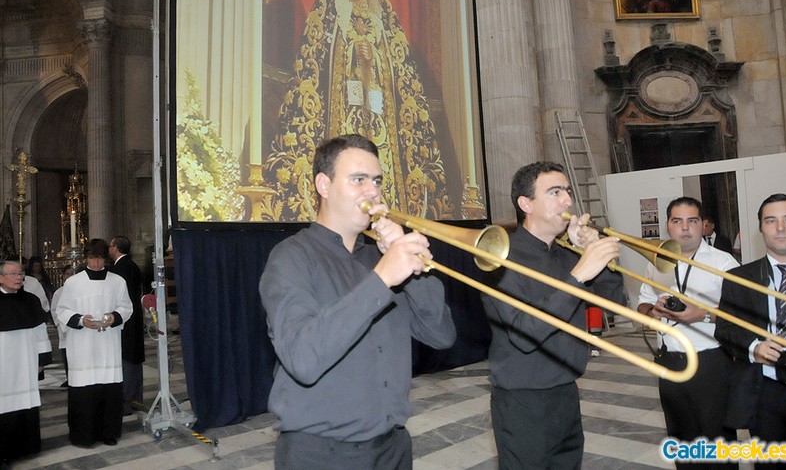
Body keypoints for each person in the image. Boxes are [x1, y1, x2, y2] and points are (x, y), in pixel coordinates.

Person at [260, 134, 456, 469]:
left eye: (376, 181)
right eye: (358, 180)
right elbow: (303, 357)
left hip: (392, 448)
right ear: (324, 184)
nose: (373, 192)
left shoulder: (380, 259)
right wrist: (382, 279)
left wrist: (412, 271)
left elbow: (441, 335)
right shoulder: (291, 257)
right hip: (321, 454)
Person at [260, 0, 456, 222]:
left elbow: (398, 74)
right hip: (342, 108)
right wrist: (352, 51)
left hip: (378, 110)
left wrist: (373, 58)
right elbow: (319, 66)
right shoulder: (333, 20)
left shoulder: (383, 26)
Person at [482, 161, 624, 469]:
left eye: (568, 191)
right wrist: (578, 275)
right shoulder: (499, 256)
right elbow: (525, 333)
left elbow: (616, 301)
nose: (568, 201)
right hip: (523, 401)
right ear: (526, 203)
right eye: (555, 192)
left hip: (567, 393)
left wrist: (594, 250)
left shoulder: (567, 255)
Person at [637, 197, 739, 466]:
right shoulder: (656, 261)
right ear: (668, 226)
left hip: (711, 363)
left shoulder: (723, 262)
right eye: (677, 221)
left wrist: (703, 314)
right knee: (680, 438)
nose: (685, 228)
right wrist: (652, 312)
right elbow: (643, 302)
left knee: (719, 441)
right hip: (669, 363)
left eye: (692, 221)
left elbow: (742, 313)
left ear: (703, 225)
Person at [715, 193, 786, 465]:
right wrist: (754, 347)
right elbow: (725, 328)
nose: (780, 228)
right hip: (765, 393)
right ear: (761, 228)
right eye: (771, 221)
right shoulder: (739, 278)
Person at [56, 239, 133, 448]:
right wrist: (81, 320)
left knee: (109, 389)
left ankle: (109, 433)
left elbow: (126, 307)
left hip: (108, 343)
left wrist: (113, 317)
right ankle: (83, 436)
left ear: (106, 258)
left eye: (99, 259)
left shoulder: (117, 281)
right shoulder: (73, 283)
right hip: (83, 345)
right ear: (85, 258)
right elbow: (62, 310)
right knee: (84, 391)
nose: (96, 263)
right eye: (92, 258)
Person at [0, 261, 52, 464]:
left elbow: (40, 332)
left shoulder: (31, 300)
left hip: (25, 362)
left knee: (25, 403)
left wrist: (42, 360)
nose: (18, 277)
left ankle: (27, 447)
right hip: (3, 364)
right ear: (1, 276)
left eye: (20, 273)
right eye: (13, 274)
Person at [109, 235, 145, 414]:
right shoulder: (131, 265)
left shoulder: (120, 268)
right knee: (133, 358)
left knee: (128, 359)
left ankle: (127, 400)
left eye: (110, 246)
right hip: (134, 317)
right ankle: (135, 398)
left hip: (126, 319)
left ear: (115, 248)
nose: (109, 249)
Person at [51, 265, 77, 387]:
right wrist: (59, 324)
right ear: (63, 276)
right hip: (65, 328)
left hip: (79, 326)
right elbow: (55, 309)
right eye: (67, 274)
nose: (69, 276)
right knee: (67, 354)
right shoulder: (58, 292)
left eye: (72, 273)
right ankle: (69, 377)